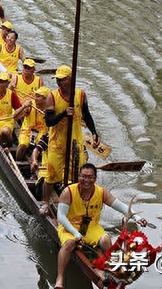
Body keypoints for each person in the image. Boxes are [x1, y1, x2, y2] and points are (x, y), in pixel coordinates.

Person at [55, 163, 147, 289]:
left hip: (91, 227)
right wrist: (75, 233)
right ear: (79, 177)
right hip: (69, 226)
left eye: (90, 177)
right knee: (69, 243)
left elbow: (121, 206)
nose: (87, 180)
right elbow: (60, 217)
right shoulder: (68, 191)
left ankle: (109, 273)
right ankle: (59, 279)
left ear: (95, 178)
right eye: (84, 176)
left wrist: (137, 217)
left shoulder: (101, 192)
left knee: (106, 240)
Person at [42, 65, 100, 214]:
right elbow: (49, 122)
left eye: (63, 80)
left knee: (78, 174)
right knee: (51, 174)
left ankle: (75, 203)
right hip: (57, 142)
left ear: (71, 79)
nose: (60, 83)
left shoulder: (81, 95)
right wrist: (63, 114)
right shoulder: (52, 97)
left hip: (75, 141)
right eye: (58, 80)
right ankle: (45, 202)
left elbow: (86, 115)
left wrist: (94, 132)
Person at [16, 85, 50, 163]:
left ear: (45, 99)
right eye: (35, 95)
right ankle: (18, 163)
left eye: (38, 96)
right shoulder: (30, 105)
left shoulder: (51, 108)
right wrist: (24, 107)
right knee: (22, 145)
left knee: (42, 144)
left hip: (42, 131)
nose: (35, 98)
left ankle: (38, 163)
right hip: (28, 130)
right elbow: (15, 117)